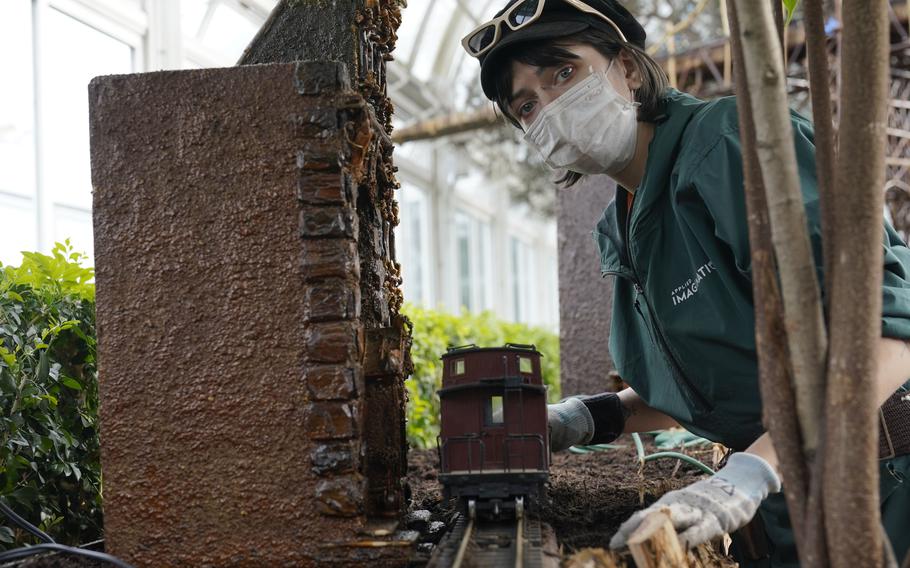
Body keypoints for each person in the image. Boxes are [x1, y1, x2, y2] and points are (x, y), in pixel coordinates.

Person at [461, 0, 910, 566]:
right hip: (785, 509)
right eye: (526, 105)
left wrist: (753, 469)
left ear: (626, 68)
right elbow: (704, 386)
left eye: (563, 73)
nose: (549, 107)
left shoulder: (726, 146)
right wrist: (581, 418)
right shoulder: (623, 223)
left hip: (881, 485)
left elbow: (890, 338)